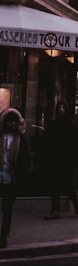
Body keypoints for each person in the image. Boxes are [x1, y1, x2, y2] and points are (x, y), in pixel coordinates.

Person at [43, 101, 78, 218]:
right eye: (59, 108)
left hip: (67, 160)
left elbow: (77, 143)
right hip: (56, 159)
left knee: (68, 185)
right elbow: (48, 142)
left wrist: (76, 158)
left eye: (62, 107)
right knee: (55, 186)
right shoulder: (53, 124)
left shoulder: (71, 124)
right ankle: (56, 209)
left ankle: (75, 205)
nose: (61, 110)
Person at [0, 106, 30, 249]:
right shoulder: (1, 137)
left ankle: (4, 235)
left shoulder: (20, 139)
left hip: (11, 178)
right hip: (1, 175)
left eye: (14, 122)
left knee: (7, 209)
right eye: (9, 121)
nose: (11, 124)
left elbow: (25, 159)